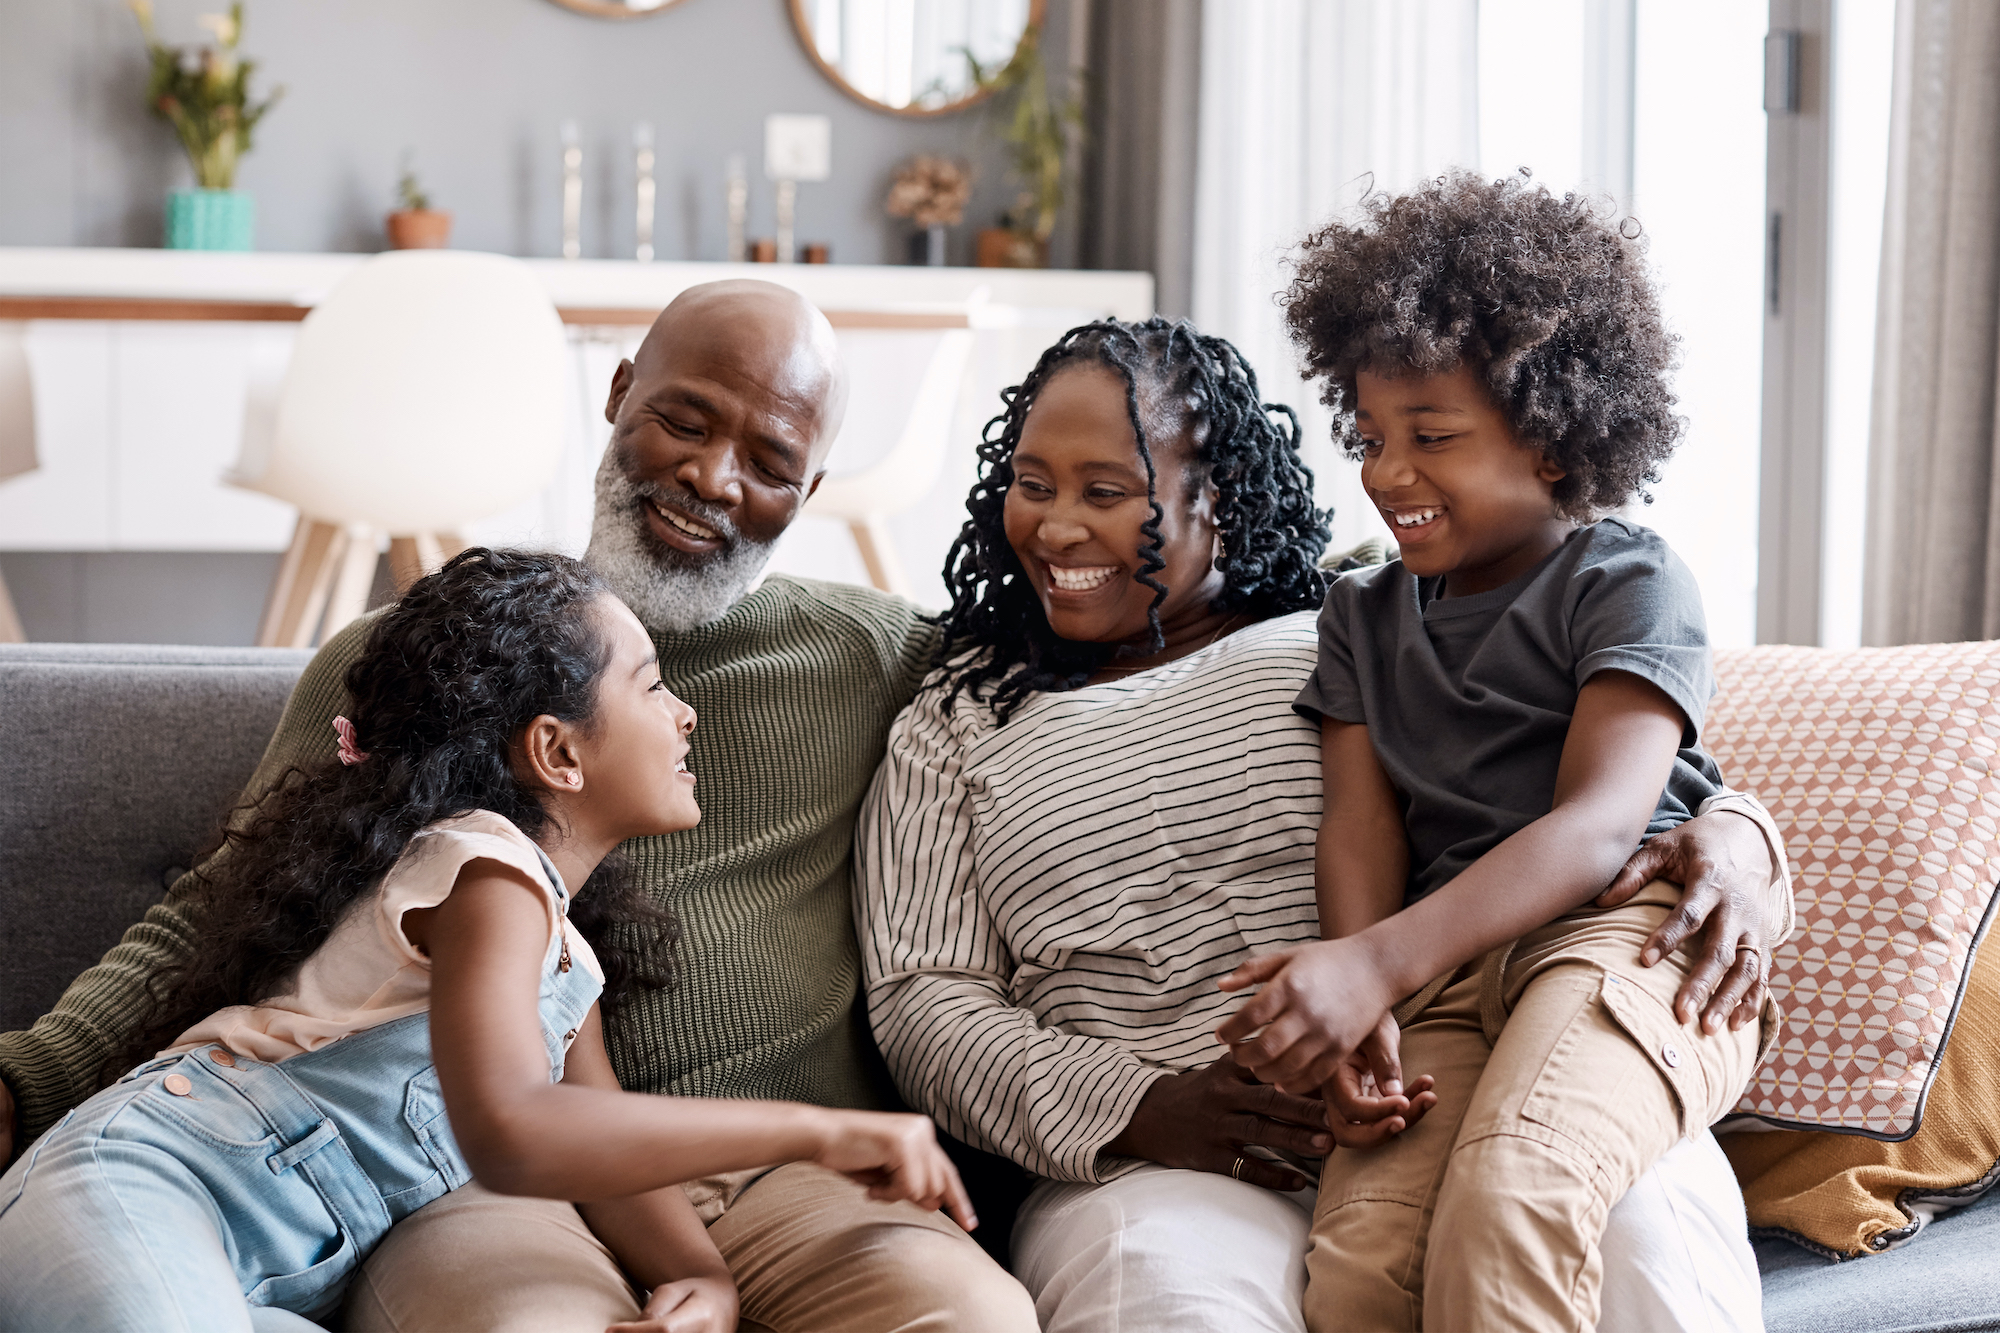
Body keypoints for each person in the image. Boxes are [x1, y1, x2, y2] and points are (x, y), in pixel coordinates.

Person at [0, 280, 1036, 1333]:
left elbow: (1074, 686)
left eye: (769, 463)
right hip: (476, 1187)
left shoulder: (873, 657)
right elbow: (219, 909)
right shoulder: (417, 672)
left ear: (807, 491)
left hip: (779, 1188)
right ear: (620, 392)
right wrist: (25, 1081)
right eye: (683, 419)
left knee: (966, 1318)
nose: (709, 477)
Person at [857, 316, 1793, 1332]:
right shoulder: (951, 723)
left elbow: (1612, 781)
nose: (1054, 527)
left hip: (1456, 1058)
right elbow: (922, 1000)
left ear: (1214, 496)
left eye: (1106, 490)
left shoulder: (1346, 611)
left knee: (1636, 1228)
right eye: (1031, 485)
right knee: (1173, 1298)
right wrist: (1140, 1104)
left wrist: (1740, 832)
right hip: (1163, 1161)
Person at [0, 548, 973, 1332]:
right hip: (144, 1192)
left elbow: (593, 1147)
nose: (684, 714)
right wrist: (822, 1128)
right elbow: (513, 1131)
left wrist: (703, 1278)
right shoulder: (481, 871)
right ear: (556, 749)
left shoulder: (560, 954)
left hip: (258, 1281)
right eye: (651, 687)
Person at [1214, 169, 1784, 1332]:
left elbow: (1596, 825)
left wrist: (1373, 964)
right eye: (1368, 435)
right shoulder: (1360, 614)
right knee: (1363, 1265)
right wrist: (1360, 986)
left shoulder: (1623, 579)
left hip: (1624, 938)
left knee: (1512, 1194)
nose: (1384, 472)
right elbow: (1360, 823)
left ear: (1556, 443)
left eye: (1431, 436)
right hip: (1443, 971)